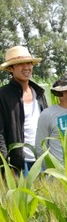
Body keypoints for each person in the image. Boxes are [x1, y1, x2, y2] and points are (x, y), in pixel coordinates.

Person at [0, 46, 48, 175]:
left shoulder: (39, 93)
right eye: (20, 64)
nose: (26, 67)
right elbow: (0, 133)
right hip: (20, 163)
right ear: (11, 68)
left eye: (29, 63)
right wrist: (6, 165)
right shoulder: (3, 95)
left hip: (43, 159)